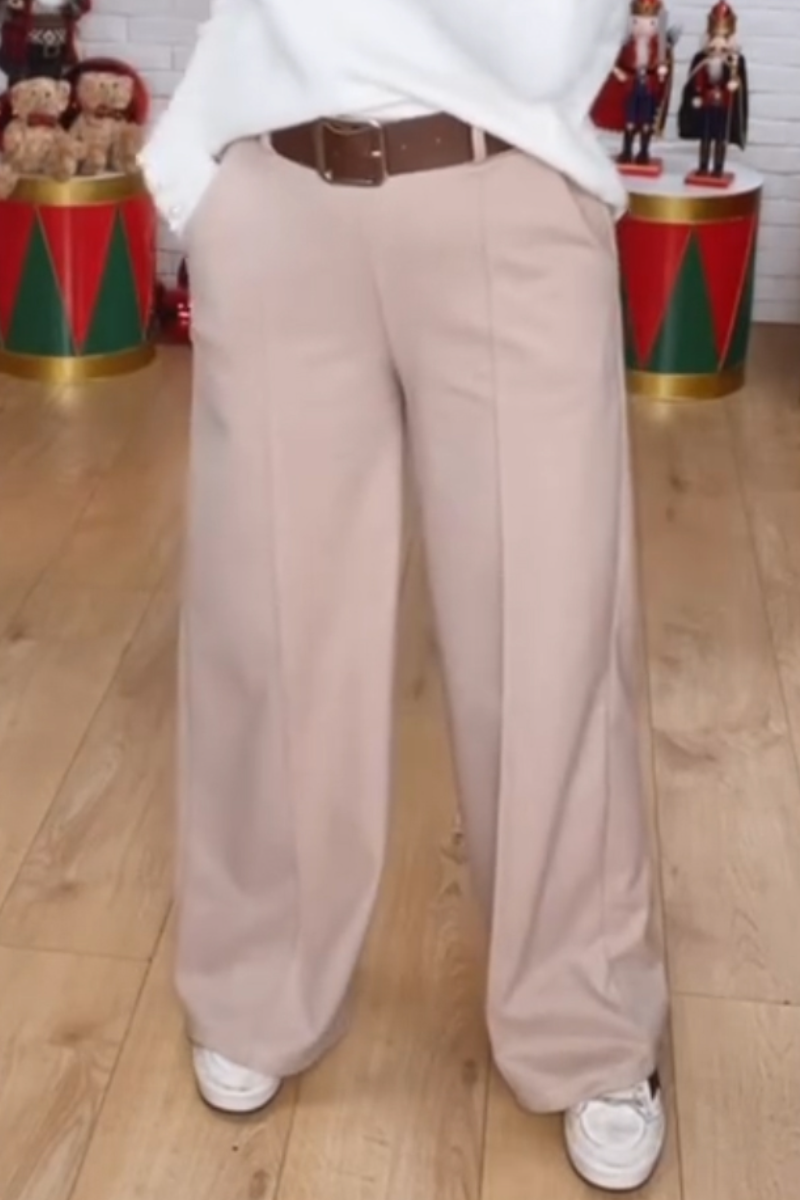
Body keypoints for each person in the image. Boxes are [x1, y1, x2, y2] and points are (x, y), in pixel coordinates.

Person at [140, 0, 669, 1190]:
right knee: (267, 620)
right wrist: (201, 180)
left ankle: (582, 1016)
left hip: (502, 178)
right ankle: (258, 981)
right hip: (279, 185)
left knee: (548, 629)